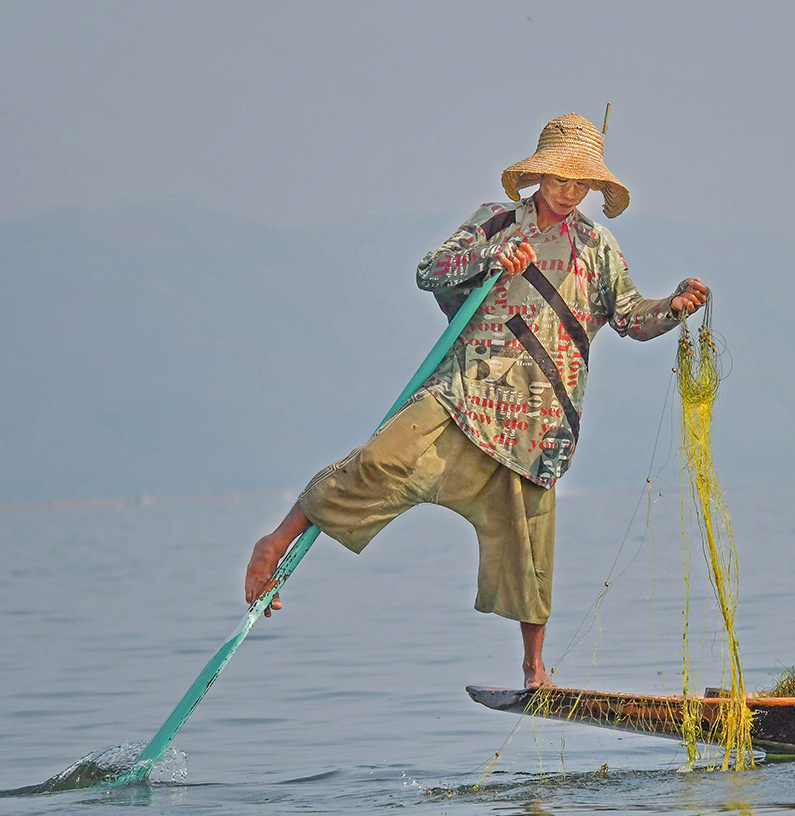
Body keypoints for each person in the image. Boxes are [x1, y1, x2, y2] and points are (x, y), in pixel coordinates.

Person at [243, 113, 708, 688]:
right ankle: (275, 544)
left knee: (530, 547)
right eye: (559, 179)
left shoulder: (596, 247)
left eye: (580, 183)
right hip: (463, 393)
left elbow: (633, 319)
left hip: (539, 418)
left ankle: (535, 668)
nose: (568, 193)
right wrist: (493, 258)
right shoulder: (496, 222)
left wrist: (675, 307)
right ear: (538, 175)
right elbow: (430, 271)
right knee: (378, 462)